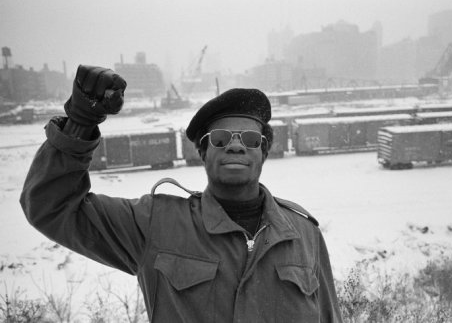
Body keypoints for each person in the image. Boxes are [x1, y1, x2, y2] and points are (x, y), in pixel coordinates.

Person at [20, 65, 343, 323]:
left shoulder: (302, 232)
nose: (235, 144)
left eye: (250, 138)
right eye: (219, 138)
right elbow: (54, 207)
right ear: (202, 153)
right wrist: (80, 122)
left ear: (264, 152)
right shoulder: (153, 223)